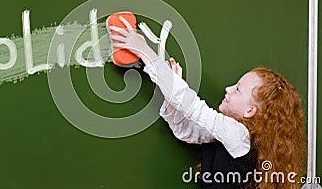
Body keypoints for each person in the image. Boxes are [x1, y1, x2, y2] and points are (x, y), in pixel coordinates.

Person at [109, 16, 306, 189]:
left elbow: (191, 106)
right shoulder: (231, 139)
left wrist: (144, 51)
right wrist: (171, 93)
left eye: (237, 89)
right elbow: (185, 131)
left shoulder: (238, 134)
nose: (228, 89)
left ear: (249, 111)